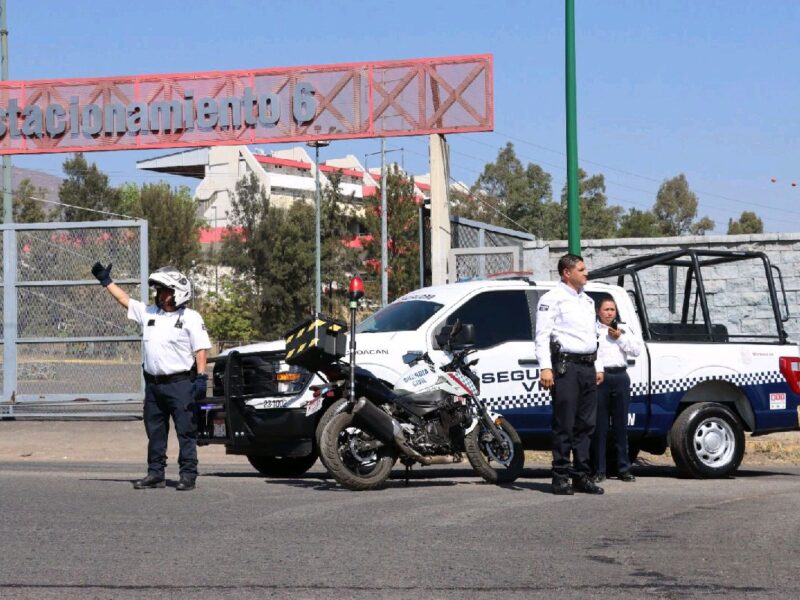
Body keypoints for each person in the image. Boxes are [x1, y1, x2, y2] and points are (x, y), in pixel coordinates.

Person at [91, 262, 212, 491]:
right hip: (154, 386)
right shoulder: (149, 313)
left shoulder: (191, 317)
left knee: (186, 430)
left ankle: (188, 474)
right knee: (155, 431)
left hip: (180, 384)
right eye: (158, 290)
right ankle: (155, 474)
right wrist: (106, 281)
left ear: (178, 292)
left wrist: (201, 378)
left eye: (164, 290)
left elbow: (201, 349)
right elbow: (124, 300)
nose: (160, 294)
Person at [534, 253, 605, 495]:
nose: (587, 273)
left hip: (587, 367)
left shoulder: (586, 300)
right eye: (582, 269)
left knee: (586, 425)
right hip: (566, 367)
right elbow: (542, 336)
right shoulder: (552, 299)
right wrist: (545, 366)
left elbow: (595, 337)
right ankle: (560, 476)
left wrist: (599, 366)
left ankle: (581, 475)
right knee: (564, 423)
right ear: (567, 272)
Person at [591, 294, 641, 483]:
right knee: (600, 427)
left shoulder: (623, 329)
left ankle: (624, 468)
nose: (609, 313)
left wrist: (619, 337)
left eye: (612, 309)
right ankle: (599, 469)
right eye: (606, 309)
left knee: (620, 426)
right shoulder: (593, 330)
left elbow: (635, 350)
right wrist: (598, 370)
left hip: (620, 377)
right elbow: (593, 353)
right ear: (598, 311)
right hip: (601, 378)